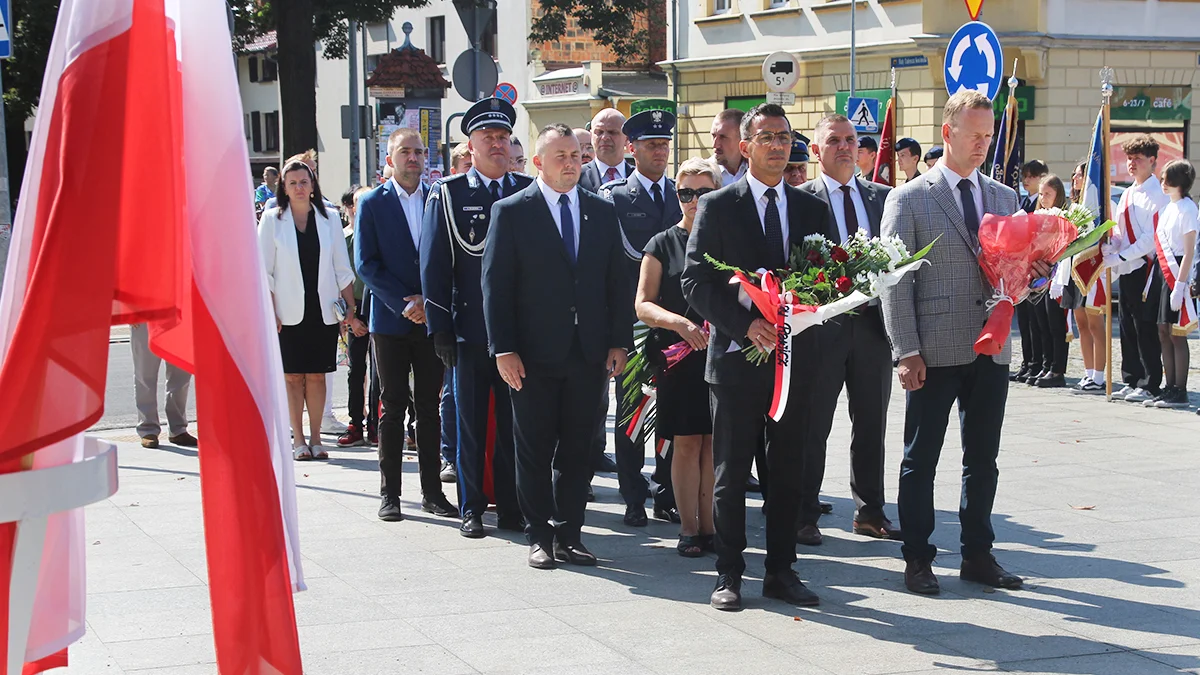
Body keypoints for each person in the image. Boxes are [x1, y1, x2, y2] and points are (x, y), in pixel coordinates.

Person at [881, 90, 1039, 596]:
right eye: (975, 135)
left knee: (983, 458)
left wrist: (1036, 274)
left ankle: (977, 554)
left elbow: (1014, 276)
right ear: (948, 133)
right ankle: (918, 558)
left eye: (988, 135)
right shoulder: (909, 198)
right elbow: (894, 281)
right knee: (919, 459)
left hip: (990, 350)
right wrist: (905, 349)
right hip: (932, 350)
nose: (983, 145)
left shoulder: (1004, 197)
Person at [682, 103, 829, 611]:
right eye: (766, 136)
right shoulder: (719, 205)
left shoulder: (811, 208)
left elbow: (829, 278)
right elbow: (694, 281)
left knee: (789, 470)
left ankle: (782, 571)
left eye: (784, 136)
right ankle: (728, 573)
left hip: (794, 362)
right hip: (735, 360)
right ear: (745, 147)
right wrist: (746, 326)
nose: (776, 145)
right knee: (730, 472)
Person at [482, 123, 632, 569]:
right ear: (537, 163)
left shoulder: (600, 212)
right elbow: (496, 285)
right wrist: (503, 348)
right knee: (533, 447)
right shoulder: (511, 211)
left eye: (575, 155)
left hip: (587, 353)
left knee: (579, 449)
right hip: (530, 355)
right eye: (560, 156)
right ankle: (539, 535)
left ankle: (570, 532)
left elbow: (615, 282)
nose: (571, 163)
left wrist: (619, 341)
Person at [422, 97, 533, 538]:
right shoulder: (448, 193)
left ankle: (510, 506)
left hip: (519, 333)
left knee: (513, 425)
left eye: (503, 137)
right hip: (469, 331)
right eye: (488, 138)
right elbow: (433, 266)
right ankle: (471, 506)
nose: (498, 145)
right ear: (470, 145)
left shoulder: (525, 189)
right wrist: (440, 328)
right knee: (469, 422)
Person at [796, 113, 900, 546]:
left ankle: (870, 511)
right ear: (817, 151)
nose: (844, 147)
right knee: (812, 424)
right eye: (833, 140)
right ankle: (803, 513)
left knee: (871, 422)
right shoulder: (801, 199)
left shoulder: (884, 198)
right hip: (821, 332)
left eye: (851, 139)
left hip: (874, 328)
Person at [356, 128, 458, 522]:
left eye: (419, 152)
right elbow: (367, 264)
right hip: (391, 321)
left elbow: (446, 257)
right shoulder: (373, 203)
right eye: (405, 152)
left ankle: (433, 493)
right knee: (393, 405)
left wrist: (428, 303)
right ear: (390, 158)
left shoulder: (438, 197)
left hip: (431, 320)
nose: (413, 158)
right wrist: (406, 302)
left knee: (429, 409)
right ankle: (391, 496)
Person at [597, 108, 684, 527]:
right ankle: (633, 494)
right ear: (632, 149)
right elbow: (610, 271)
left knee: (671, 411)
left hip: (674, 321)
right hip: (631, 322)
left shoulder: (681, 194)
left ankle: (666, 490)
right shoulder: (614, 198)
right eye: (651, 145)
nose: (659, 152)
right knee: (632, 410)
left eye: (664, 144)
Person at [636, 157, 718, 556]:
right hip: (679, 356)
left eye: (703, 192)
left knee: (715, 443)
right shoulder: (662, 243)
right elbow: (643, 305)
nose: (694, 201)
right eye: (686, 193)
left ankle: (712, 525)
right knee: (687, 442)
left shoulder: (727, 238)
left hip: (724, 354)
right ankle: (689, 528)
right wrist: (679, 324)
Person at [258, 160, 357, 461]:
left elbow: (342, 268)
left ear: (313, 185)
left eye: (304, 182)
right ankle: (298, 439)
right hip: (285, 313)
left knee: (316, 376)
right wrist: (270, 310)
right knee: (291, 377)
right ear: (284, 189)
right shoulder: (272, 220)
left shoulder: (329, 220)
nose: (299, 187)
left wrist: (350, 308)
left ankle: (316, 438)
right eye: (293, 183)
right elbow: (264, 271)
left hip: (322, 310)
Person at [1104, 134, 1170, 403]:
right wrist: (1113, 246)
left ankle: (1150, 382)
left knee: (1145, 327)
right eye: (1129, 159)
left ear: (1152, 161)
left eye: (1138, 159)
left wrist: (1121, 257)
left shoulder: (1159, 196)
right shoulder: (1129, 192)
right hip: (1128, 267)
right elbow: (1121, 230)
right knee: (1127, 326)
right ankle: (1131, 377)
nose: (1132, 164)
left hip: (1146, 268)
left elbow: (1149, 238)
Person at [1148, 159, 1197, 409]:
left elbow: (1189, 251)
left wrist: (1180, 284)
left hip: (1177, 270)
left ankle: (1180, 389)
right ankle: (1169, 387)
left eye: (1166, 178)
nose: (1162, 183)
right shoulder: (1170, 208)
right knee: (1163, 331)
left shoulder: (1188, 209)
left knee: (1177, 333)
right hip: (1163, 270)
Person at [1061, 161, 1108, 394]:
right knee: (1081, 323)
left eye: (1079, 175)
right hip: (1073, 267)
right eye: (1074, 175)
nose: (1075, 179)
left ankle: (1100, 376)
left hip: (1090, 267)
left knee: (1095, 323)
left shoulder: (1098, 204)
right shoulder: (1073, 205)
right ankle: (1089, 372)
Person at [337, 186, 374, 447]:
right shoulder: (345, 238)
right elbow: (338, 278)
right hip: (356, 307)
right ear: (351, 207)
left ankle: (376, 424)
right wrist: (350, 318)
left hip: (380, 307)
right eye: (359, 203)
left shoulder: (380, 234)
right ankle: (356, 423)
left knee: (381, 373)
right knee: (356, 370)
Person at [130, 323, 196, 449]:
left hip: (180, 315)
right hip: (146, 314)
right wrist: (130, 311)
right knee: (145, 375)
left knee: (180, 376)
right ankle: (147, 429)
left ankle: (178, 429)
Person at [1032, 174, 1070, 388]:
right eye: (1041, 194)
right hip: (1039, 275)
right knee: (1042, 324)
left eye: (1048, 194)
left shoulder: (1062, 217)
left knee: (1056, 324)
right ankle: (1046, 365)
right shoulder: (1038, 214)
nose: (1044, 198)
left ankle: (1058, 369)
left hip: (1055, 275)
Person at [1014, 160, 1050, 385]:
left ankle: (1038, 363)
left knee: (1038, 323)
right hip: (1021, 269)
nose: (1026, 180)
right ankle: (1027, 362)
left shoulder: (1043, 204)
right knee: (1024, 321)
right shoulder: (1024, 201)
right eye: (1024, 176)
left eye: (1031, 176)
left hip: (1036, 269)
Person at [579, 109, 634, 192]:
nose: (604, 137)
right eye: (599, 132)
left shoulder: (639, 177)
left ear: (626, 138)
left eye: (612, 132)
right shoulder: (577, 178)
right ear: (591, 136)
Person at [710, 108, 747, 187]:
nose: (715, 145)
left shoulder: (758, 174)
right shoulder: (703, 174)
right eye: (713, 136)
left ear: (741, 139)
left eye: (723, 137)